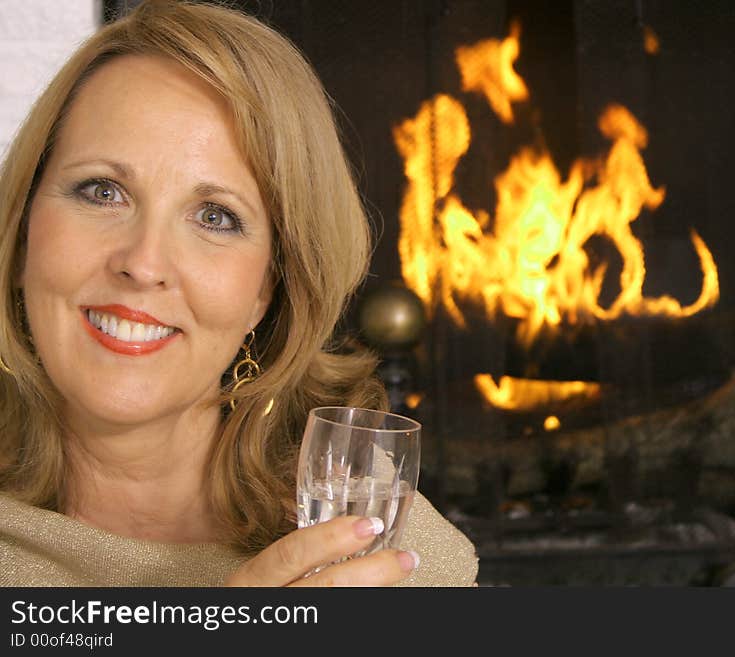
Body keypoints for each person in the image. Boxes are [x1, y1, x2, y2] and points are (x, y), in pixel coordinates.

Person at [0, 0, 478, 587]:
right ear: (23, 233)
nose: (144, 264)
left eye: (215, 217)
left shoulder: (377, 553)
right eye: (102, 191)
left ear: (268, 290)